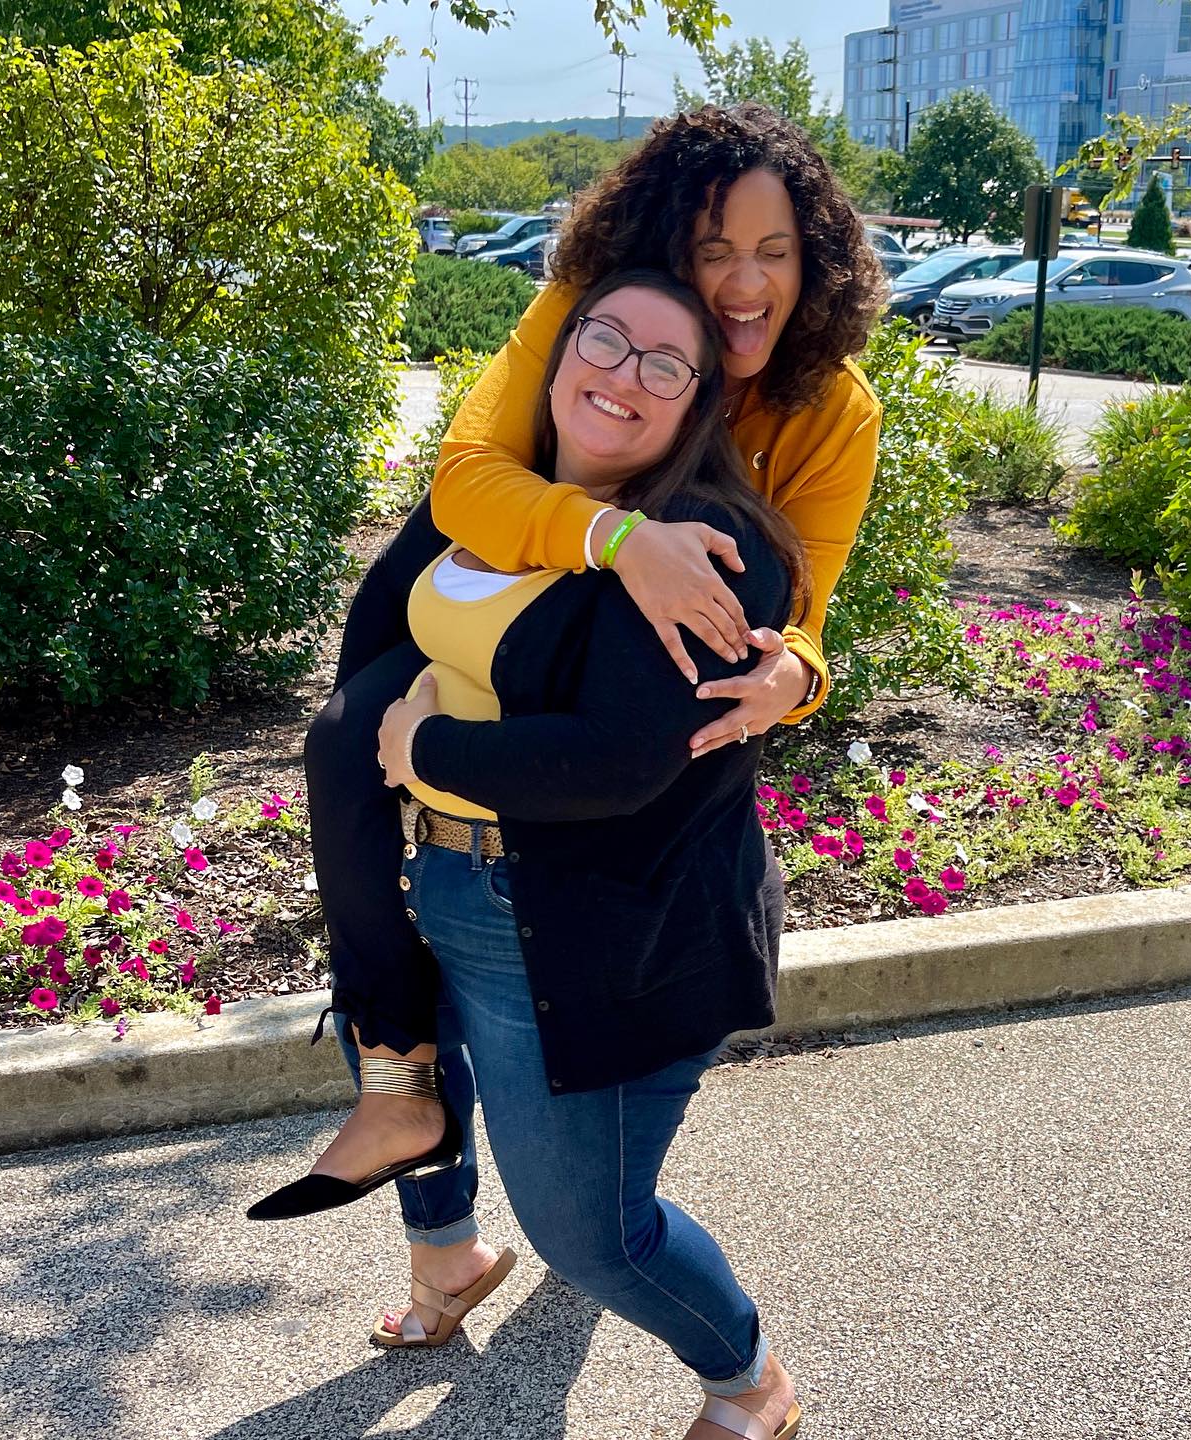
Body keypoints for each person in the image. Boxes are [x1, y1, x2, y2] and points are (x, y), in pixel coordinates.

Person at [257, 102, 882, 1433]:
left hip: (607, 703)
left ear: (815, 259)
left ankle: (706, 1345)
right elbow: (466, 476)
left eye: (775, 250)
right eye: (714, 248)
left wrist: (801, 671)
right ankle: (423, 1172)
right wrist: (615, 538)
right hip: (525, 579)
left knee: (589, 1198)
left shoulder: (827, 412)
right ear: (660, 247)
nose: (745, 281)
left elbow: (799, 603)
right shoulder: (588, 316)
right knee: (347, 753)